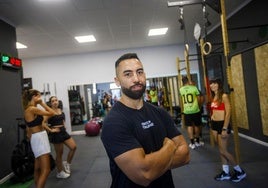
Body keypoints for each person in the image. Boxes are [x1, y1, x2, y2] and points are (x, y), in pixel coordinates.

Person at [101, 53, 190, 188]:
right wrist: (170, 147)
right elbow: (144, 175)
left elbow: (185, 155)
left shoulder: (159, 112)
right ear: (117, 81)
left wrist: (152, 164)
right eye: (128, 74)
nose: (136, 79)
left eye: (139, 72)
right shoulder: (113, 122)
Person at [209, 78, 246, 182]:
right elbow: (214, 110)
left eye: (215, 83)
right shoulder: (213, 96)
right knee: (221, 151)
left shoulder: (224, 96)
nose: (212, 85)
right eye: (211, 83)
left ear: (219, 84)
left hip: (222, 125)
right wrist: (212, 118)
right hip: (214, 125)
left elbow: (228, 112)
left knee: (224, 151)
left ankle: (240, 171)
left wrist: (225, 128)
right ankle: (226, 173)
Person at [22, 89, 57, 188]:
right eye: (39, 96)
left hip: (36, 138)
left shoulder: (28, 109)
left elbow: (29, 129)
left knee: (37, 168)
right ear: (34, 97)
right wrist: (42, 103)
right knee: (46, 169)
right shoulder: (32, 109)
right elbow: (52, 113)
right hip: (40, 139)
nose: (40, 98)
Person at [43, 96, 77, 178]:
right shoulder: (49, 112)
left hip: (63, 132)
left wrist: (64, 125)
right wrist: (51, 130)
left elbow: (62, 119)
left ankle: (67, 163)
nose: (55, 102)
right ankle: (60, 172)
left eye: (56, 100)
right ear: (50, 103)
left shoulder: (60, 110)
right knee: (59, 154)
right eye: (53, 101)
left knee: (73, 147)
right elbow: (42, 123)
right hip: (56, 133)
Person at [179, 76, 203, 149]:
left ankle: (192, 143)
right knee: (196, 125)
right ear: (188, 81)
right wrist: (198, 106)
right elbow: (199, 99)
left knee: (189, 126)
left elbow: (181, 101)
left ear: (182, 82)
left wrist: (183, 108)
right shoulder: (194, 88)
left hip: (187, 111)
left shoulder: (181, 90)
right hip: (195, 110)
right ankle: (197, 142)